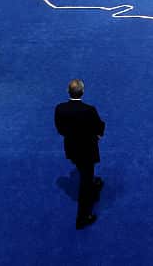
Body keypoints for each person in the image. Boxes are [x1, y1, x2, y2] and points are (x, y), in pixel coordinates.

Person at [54, 78, 105, 229]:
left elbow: (60, 129)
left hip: (71, 148)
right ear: (82, 92)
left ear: (68, 92)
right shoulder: (89, 110)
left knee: (83, 168)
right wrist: (98, 135)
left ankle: (92, 182)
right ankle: (82, 218)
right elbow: (99, 127)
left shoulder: (59, 108)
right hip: (87, 149)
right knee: (85, 181)